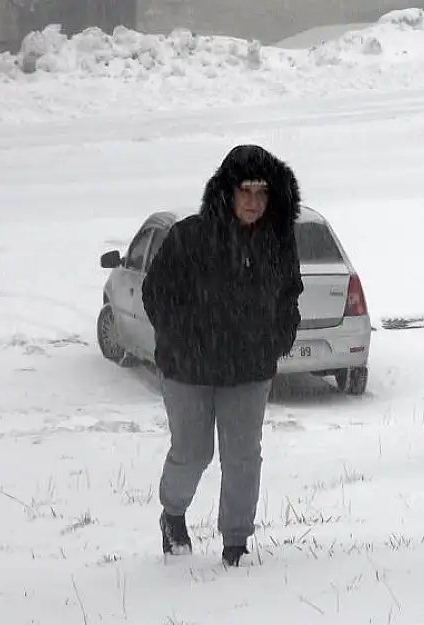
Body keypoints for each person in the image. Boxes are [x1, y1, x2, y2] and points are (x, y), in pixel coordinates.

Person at [141, 144, 304, 567]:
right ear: (226, 193)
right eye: (245, 191)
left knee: (242, 455)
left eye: (262, 193)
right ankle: (173, 515)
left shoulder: (278, 242)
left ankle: (236, 544)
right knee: (193, 452)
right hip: (188, 368)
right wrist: (183, 338)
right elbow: (156, 293)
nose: (253, 202)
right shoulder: (190, 236)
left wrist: (278, 336)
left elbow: (290, 294)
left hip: (249, 369)